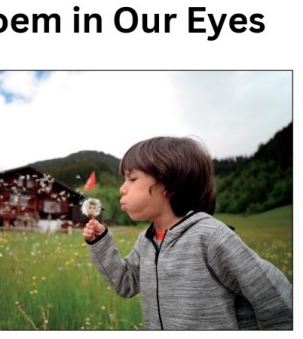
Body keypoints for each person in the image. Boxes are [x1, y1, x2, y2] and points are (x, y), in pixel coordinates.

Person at [82, 136, 292, 330]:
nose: (122, 188)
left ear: (167, 184)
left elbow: (274, 297)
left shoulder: (210, 236)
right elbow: (125, 284)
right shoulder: (147, 241)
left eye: (132, 179)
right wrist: (100, 242)